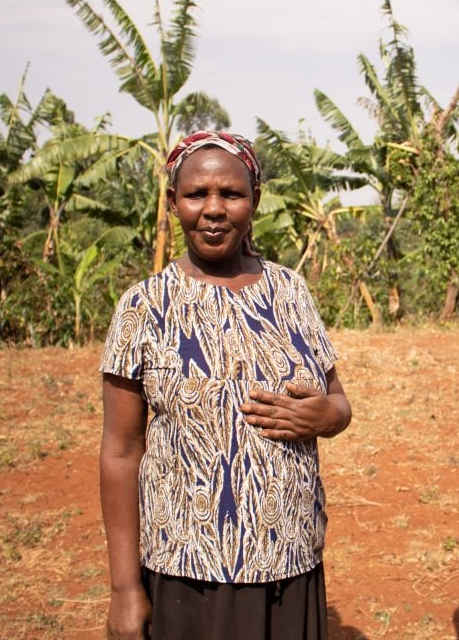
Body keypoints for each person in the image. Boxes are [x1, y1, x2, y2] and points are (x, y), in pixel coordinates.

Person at [99, 131, 352, 639]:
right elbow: (121, 452)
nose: (214, 209)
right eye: (196, 194)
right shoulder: (144, 307)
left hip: (290, 556)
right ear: (174, 203)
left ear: (253, 201)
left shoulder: (290, 291)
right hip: (187, 567)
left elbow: (338, 403)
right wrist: (126, 590)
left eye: (231, 194)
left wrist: (327, 417)